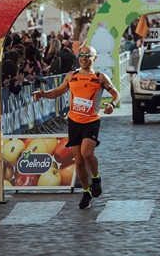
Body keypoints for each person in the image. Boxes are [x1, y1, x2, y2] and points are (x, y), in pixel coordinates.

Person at [33, 45, 121, 209]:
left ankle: (96, 177)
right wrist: (43, 94)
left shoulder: (100, 77)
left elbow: (116, 94)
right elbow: (58, 91)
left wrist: (112, 105)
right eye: (81, 54)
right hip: (74, 121)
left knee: (87, 154)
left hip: (91, 121)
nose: (84, 58)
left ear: (94, 58)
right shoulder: (71, 76)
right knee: (79, 160)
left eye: (88, 55)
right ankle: (86, 191)